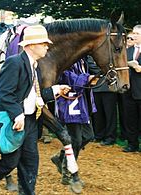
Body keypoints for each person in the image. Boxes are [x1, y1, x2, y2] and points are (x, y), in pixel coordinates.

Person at [0, 25, 71, 195]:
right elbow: (4, 94)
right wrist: (17, 115)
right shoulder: (14, 62)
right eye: (44, 43)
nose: (47, 46)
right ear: (32, 45)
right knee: (10, 163)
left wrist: (56, 90)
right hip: (15, 122)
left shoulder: (35, 67)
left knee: (31, 162)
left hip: (31, 121)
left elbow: (34, 96)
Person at [51, 57, 97, 194]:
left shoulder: (84, 59)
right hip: (69, 104)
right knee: (75, 140)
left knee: (88, 135)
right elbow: (68, 77)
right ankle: (68, 173)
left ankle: (60, 158)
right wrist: (88, 78)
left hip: (81, 103)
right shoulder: (68, 57)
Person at [121, 25, 141, 152]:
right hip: (129, 90)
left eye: (137, 33)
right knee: (130, 119)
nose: (133, 35)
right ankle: (132, 144)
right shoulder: (127, 50)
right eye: (133, 33)